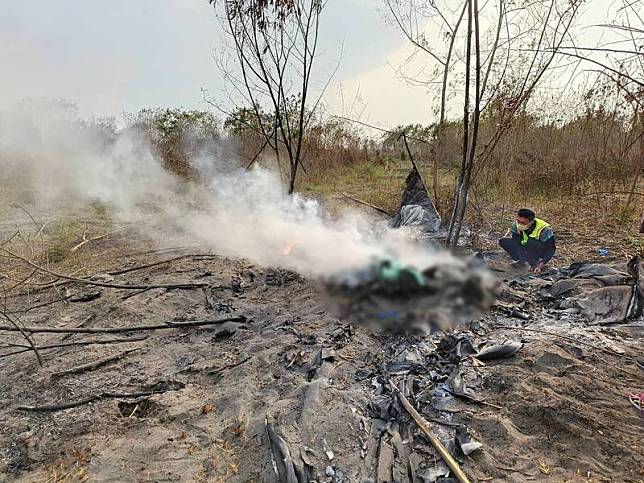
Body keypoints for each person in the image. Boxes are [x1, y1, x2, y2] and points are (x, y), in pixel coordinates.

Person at [499, 208, 555, 273]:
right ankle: (524, 261)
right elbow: (517, 244)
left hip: (539, 249)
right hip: (525, 246)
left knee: (530, 243)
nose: (519, 224)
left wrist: (540, 265)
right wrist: (526, 263)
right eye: (518, 221)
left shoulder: (545, 230)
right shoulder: (515, 225)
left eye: (523, 223)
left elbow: (551, 249)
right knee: (504, 241)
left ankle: (534, 261)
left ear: (531, 222)